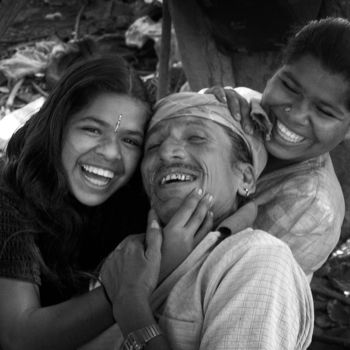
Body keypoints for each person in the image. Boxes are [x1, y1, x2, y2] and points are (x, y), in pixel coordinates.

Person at [99, 92, 314, 350]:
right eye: (153, 146)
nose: (167, 152)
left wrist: (132, 308)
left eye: (196, 138)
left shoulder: (256, 260)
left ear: (245, 179)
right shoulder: (130, 252)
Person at [0, 56, 153, 350]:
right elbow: (17, 337)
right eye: (92, 130)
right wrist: (123, 293)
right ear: (57, 126)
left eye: (130, 141)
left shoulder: (128, 200)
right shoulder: (9, 199)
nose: (110, 152)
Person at [206, 17, 350, 278]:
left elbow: (223, 284)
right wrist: (201, 112)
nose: (295, 115)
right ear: (275, 71)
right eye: (289, 86)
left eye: (324, 111)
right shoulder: (242, 104)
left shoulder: (312, 209)